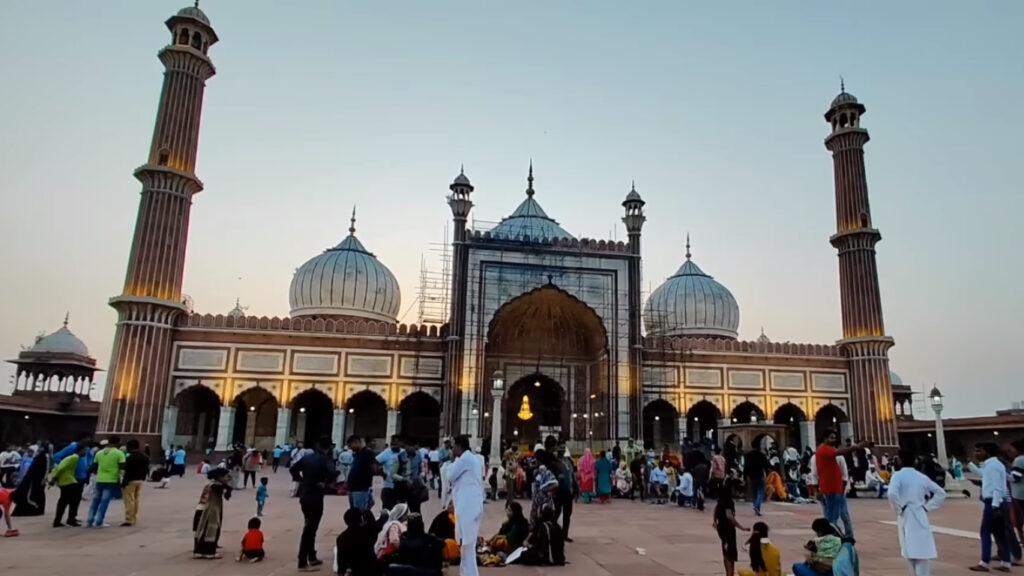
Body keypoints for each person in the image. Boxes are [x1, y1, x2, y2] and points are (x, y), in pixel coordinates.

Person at [887, 449, 946, 576]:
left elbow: (892, 493)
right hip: (920, 513)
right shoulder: (921, 477)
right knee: (921, 552)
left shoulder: (897, 476)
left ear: (899, 460)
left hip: (906, 514)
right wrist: (927, 507)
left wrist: (898, 508)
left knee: (911, 552)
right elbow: (940, 493)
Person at [816, 429, 870, 538]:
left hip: (835, 487)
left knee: (834, 514)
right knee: (833, 516)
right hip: (831, 487)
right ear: (825, 438)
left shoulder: (827, 449)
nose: (833, 440)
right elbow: (840, 452)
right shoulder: (824, 449)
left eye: (834, 437)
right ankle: (831, 538)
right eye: (831, 437)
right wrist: (856, 447)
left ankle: (833, 537)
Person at [969, 442, 1014, 572]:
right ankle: (1006, 562)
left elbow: (997, 487)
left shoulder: (992, 466)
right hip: (999, 502)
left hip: (994, 503)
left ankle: (984, 562)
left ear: (987, 452)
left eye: (979, 451)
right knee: (1000, 534)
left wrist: (994, 506)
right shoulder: (994, 465)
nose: (976, 454)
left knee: (985, 532)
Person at [292, 435, 334, 571]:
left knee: (310, 526)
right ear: (329, 447)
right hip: (316, 496)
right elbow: (331, 475)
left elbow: (293, 469)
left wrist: (301, 480)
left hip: (305, 494)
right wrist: (325, 483)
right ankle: (302, 562)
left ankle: (312, 556)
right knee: (310, 530)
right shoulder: (324, 460)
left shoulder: (307, 457)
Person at [449, 434, 484, 576]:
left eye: (453, 447)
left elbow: (450, 476)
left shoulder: (465, 459)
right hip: (470, 504)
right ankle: (466, 572)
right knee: (466, 544)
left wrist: (452, 463)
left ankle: (470, 574)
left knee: (468, 544)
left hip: (468, 506)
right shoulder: (472, 458)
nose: (452, 450)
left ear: (459, 446)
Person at [193, 467, 232, 559]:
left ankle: (200, 551)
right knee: (212, 530)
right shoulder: (215, 485)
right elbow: (225, 491)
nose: (226, 478)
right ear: (219, 476)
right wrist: (227, 486)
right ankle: (209, 552)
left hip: (212, 508)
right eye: (225, 476)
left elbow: (227, 496)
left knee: (206, 530)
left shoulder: (215, 484)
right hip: (213, 509)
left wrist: (227, 486)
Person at [714, 480, 750, 576]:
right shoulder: (728, 501)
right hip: (728, 530)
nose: (737, 493)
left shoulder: (721, 499)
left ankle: (728, 573)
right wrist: (741, 527)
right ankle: (730, 574)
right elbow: (729, 516)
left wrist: (715, 522)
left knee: (725, 553)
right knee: (730, 554)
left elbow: (716, 509)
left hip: (721, 528)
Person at [87, 437, 125, 527]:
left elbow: (94, 466)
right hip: (111, 480)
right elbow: (122, 468)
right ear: (118, 443)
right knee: (104, 501)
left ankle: (90, 519)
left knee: (95, 500)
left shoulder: (99, 452)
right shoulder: (119, 453)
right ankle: (99, 521)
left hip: (99, 479)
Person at [335, 507, 382, 576]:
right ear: (361, 519)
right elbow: (373, 524)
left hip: (356, 570)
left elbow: (341, 560)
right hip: (372, 568)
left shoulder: (341, 538)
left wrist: (341, 572)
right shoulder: (366, 532)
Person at [50, 443, 86, 527]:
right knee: (70, 501)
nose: (85, 452)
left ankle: (59, 520)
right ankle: (68, 520)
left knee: (64, 501)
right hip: (68, 481)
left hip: (67, 481)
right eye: (84, 450)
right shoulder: (75, 457)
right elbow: (61, 468)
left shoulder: (74, 457)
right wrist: (54, 478)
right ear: (80, 451)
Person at [11, 445, 47, 517]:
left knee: (31, 495)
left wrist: (43, 479)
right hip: (29, 479)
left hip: (35, 480)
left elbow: (44, 470)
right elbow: (23, 469)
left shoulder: (41, 458)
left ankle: (35, 509)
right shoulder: (29, 458)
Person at [122, 439, 150, 526]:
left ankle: (129, 519)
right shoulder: (145, 456)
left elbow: (128, 471)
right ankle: (134, 517)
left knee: (129, 500)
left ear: (130, 447)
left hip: (130, 480)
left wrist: (124, 482)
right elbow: (146, 468)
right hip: (140, 480)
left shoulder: (130, 457)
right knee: (136, 499)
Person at [378, 436, 409, 512]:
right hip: (389, 486)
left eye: (396, 443)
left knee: (401, 510)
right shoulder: (386, 453)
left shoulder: (404, 452)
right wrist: (383, 474)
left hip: (402, 486)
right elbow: (376, 463)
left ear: (400, 443)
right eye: (392, 443)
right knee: (387, 511)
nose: (394, 445)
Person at [347, 435, 376, 511]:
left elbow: (373, 469)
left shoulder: (367, 453)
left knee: (359, 511)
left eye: (350, 445)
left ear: (357, 442)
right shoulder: (357, 454)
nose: (350, 447)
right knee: (354, 511)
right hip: (352, 487)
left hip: (360, 488)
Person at [745, 447, 770, 515]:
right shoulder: (761, 455)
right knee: (760, 492)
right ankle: (757, 506)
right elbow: (766, 465)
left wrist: (745, 477)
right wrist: (767, 474)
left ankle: (756, 508)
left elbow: (745, 467)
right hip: (759, 475)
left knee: (754, 493)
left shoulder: (748, 455)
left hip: (751, 476)